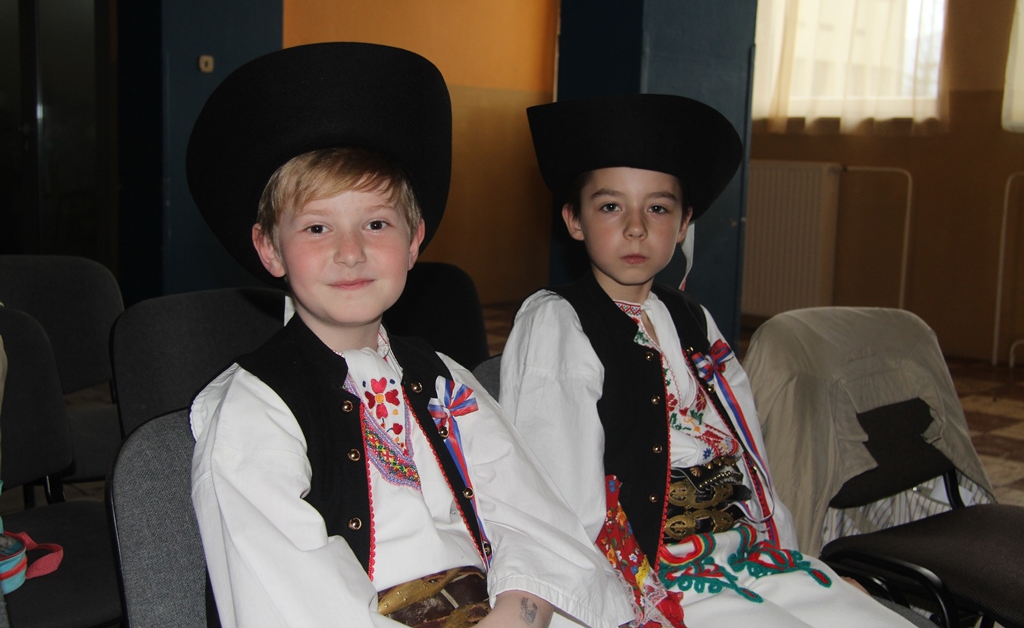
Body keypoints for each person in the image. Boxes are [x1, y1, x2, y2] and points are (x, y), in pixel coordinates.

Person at [186, 43, 633, 628]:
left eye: (376, 223)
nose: (351, 251)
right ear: (270, 250)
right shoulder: (254, 411)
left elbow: (531, 517)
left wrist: (519, 611)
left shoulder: (440, 376)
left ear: (415, 240)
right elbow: (295, 599)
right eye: (317, 228)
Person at [499, 94, 917, 627]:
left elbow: (748, 451)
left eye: (657, 208)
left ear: (683, 223)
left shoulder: (690, 318)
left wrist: (795, 558)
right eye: (610, 207)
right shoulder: (558, 321)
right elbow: (559, 485)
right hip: (651, 575)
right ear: (573, 220)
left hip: (739, 551)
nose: (635, 227)